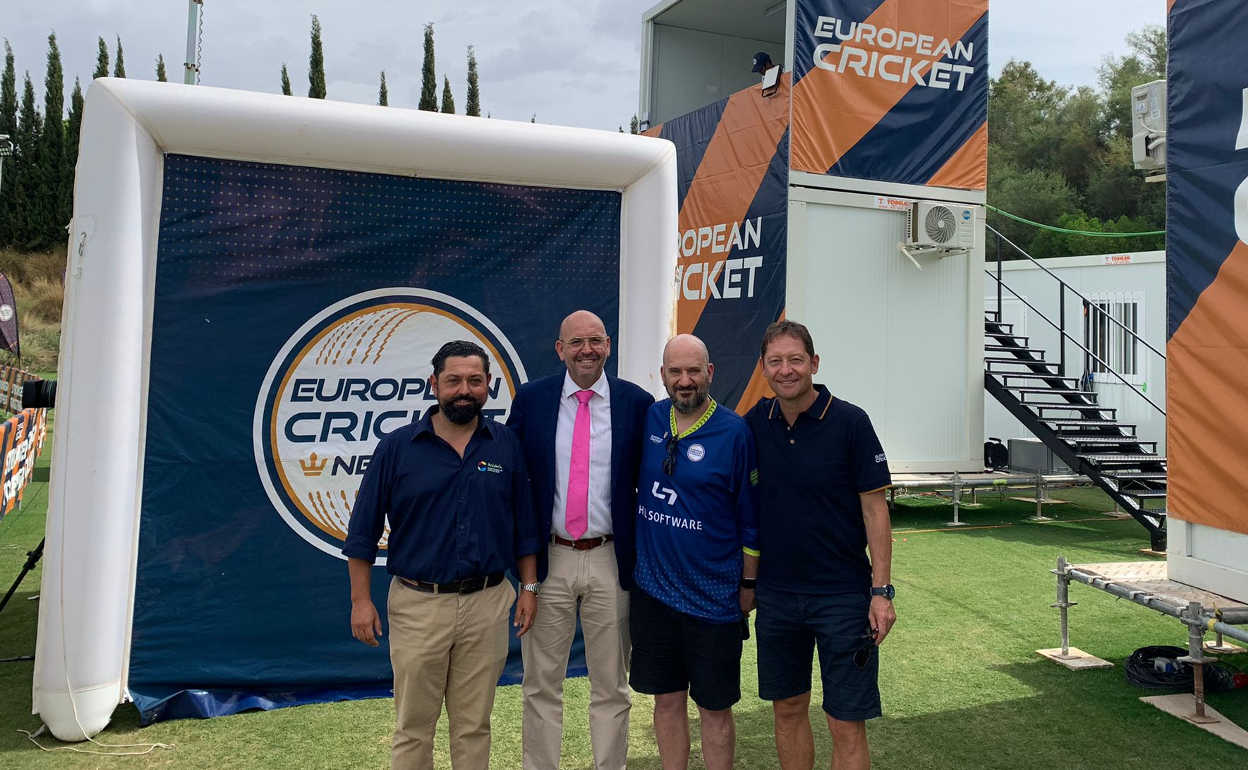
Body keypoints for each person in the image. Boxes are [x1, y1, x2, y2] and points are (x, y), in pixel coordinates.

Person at [344, 340, 541, 770]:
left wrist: (528, 588)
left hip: (488, 604)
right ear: (434, 385)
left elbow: (526, 527)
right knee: (414, 727)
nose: (463, 390)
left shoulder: (505, 445)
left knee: (474, 727)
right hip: (417, 605)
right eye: (453, 381)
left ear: (489, 385)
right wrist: (361, 601)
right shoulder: (397, 447)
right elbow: (362, 532)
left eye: (474, 380)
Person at [743, 320, 895, 770]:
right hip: (777, 597)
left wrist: (881, 593)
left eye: (795, 359)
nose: (786, 370)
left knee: (845, 722)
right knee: (787, 709)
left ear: (814, 363)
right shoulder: (754, 424)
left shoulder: (850, 422)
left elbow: (875, 512)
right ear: (764, 369)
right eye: (776, 361)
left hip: (843, 597)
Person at [506, 310, 654, 770]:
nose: (586, 350)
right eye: (576, 342)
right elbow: (512, 480)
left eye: (595, 340)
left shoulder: (637, 402)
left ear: (608, 344)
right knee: (540, 684)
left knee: (611, 685)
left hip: (611, 557)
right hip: (550, 559)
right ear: (559, 349)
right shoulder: (532, 400)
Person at [630, 334, 760, 770]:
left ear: (710, 373)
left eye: (693, 371)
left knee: (714, 710)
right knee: (666, 701)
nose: (684, 381)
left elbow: (751, 521)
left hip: (713, 600)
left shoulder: (735, 432)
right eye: (675, 372)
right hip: (653, 593)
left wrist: (748, 584)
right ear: (663, 375)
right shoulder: (650, 418)